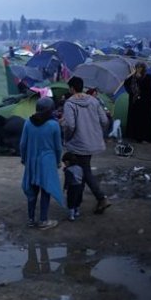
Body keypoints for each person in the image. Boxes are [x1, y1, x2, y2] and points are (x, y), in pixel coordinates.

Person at [61, 76, 111, 214]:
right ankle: (78, 202)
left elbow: (70, 125)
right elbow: (104, 120)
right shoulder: (93, 101)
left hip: (77, 143)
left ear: (71, 88)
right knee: (82, 170)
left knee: (84, 171)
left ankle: (101, 198)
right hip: (91, 143)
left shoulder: (70, 103)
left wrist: (67, 137)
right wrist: (96, 133)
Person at [20, 97, 61, 230]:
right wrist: (58, 161)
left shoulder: (28, 123)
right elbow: (58, 147)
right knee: (46, 190)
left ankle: (31, 219)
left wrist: (24, 158)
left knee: (32, 191)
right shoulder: (54, 125)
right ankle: (43, 220)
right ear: (50, 110)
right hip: (47, 162)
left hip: (32, 161)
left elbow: (23, 144)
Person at [124, 62, 151, 143]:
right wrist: (131, 92)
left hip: (145, 102)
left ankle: (144, 137)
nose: (138, 69)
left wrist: (140, 80)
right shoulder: (132, 77)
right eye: (137, 67)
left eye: (140, 68)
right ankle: (134, 136)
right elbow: (126, 84)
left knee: (144, 120)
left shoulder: (148, 77)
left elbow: (148, 88)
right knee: (135, 119)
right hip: (135, 102)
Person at [62, 152, 84, 222]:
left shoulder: (69, 170)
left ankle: (71, 216)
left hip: (72, 187)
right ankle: (77, 212)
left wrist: (65, 189)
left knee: (71, 201)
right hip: (80, 186)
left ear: (67, 162)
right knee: (78, 199)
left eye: (65, 162)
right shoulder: (79, 168)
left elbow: (67, 181)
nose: (64, 164)